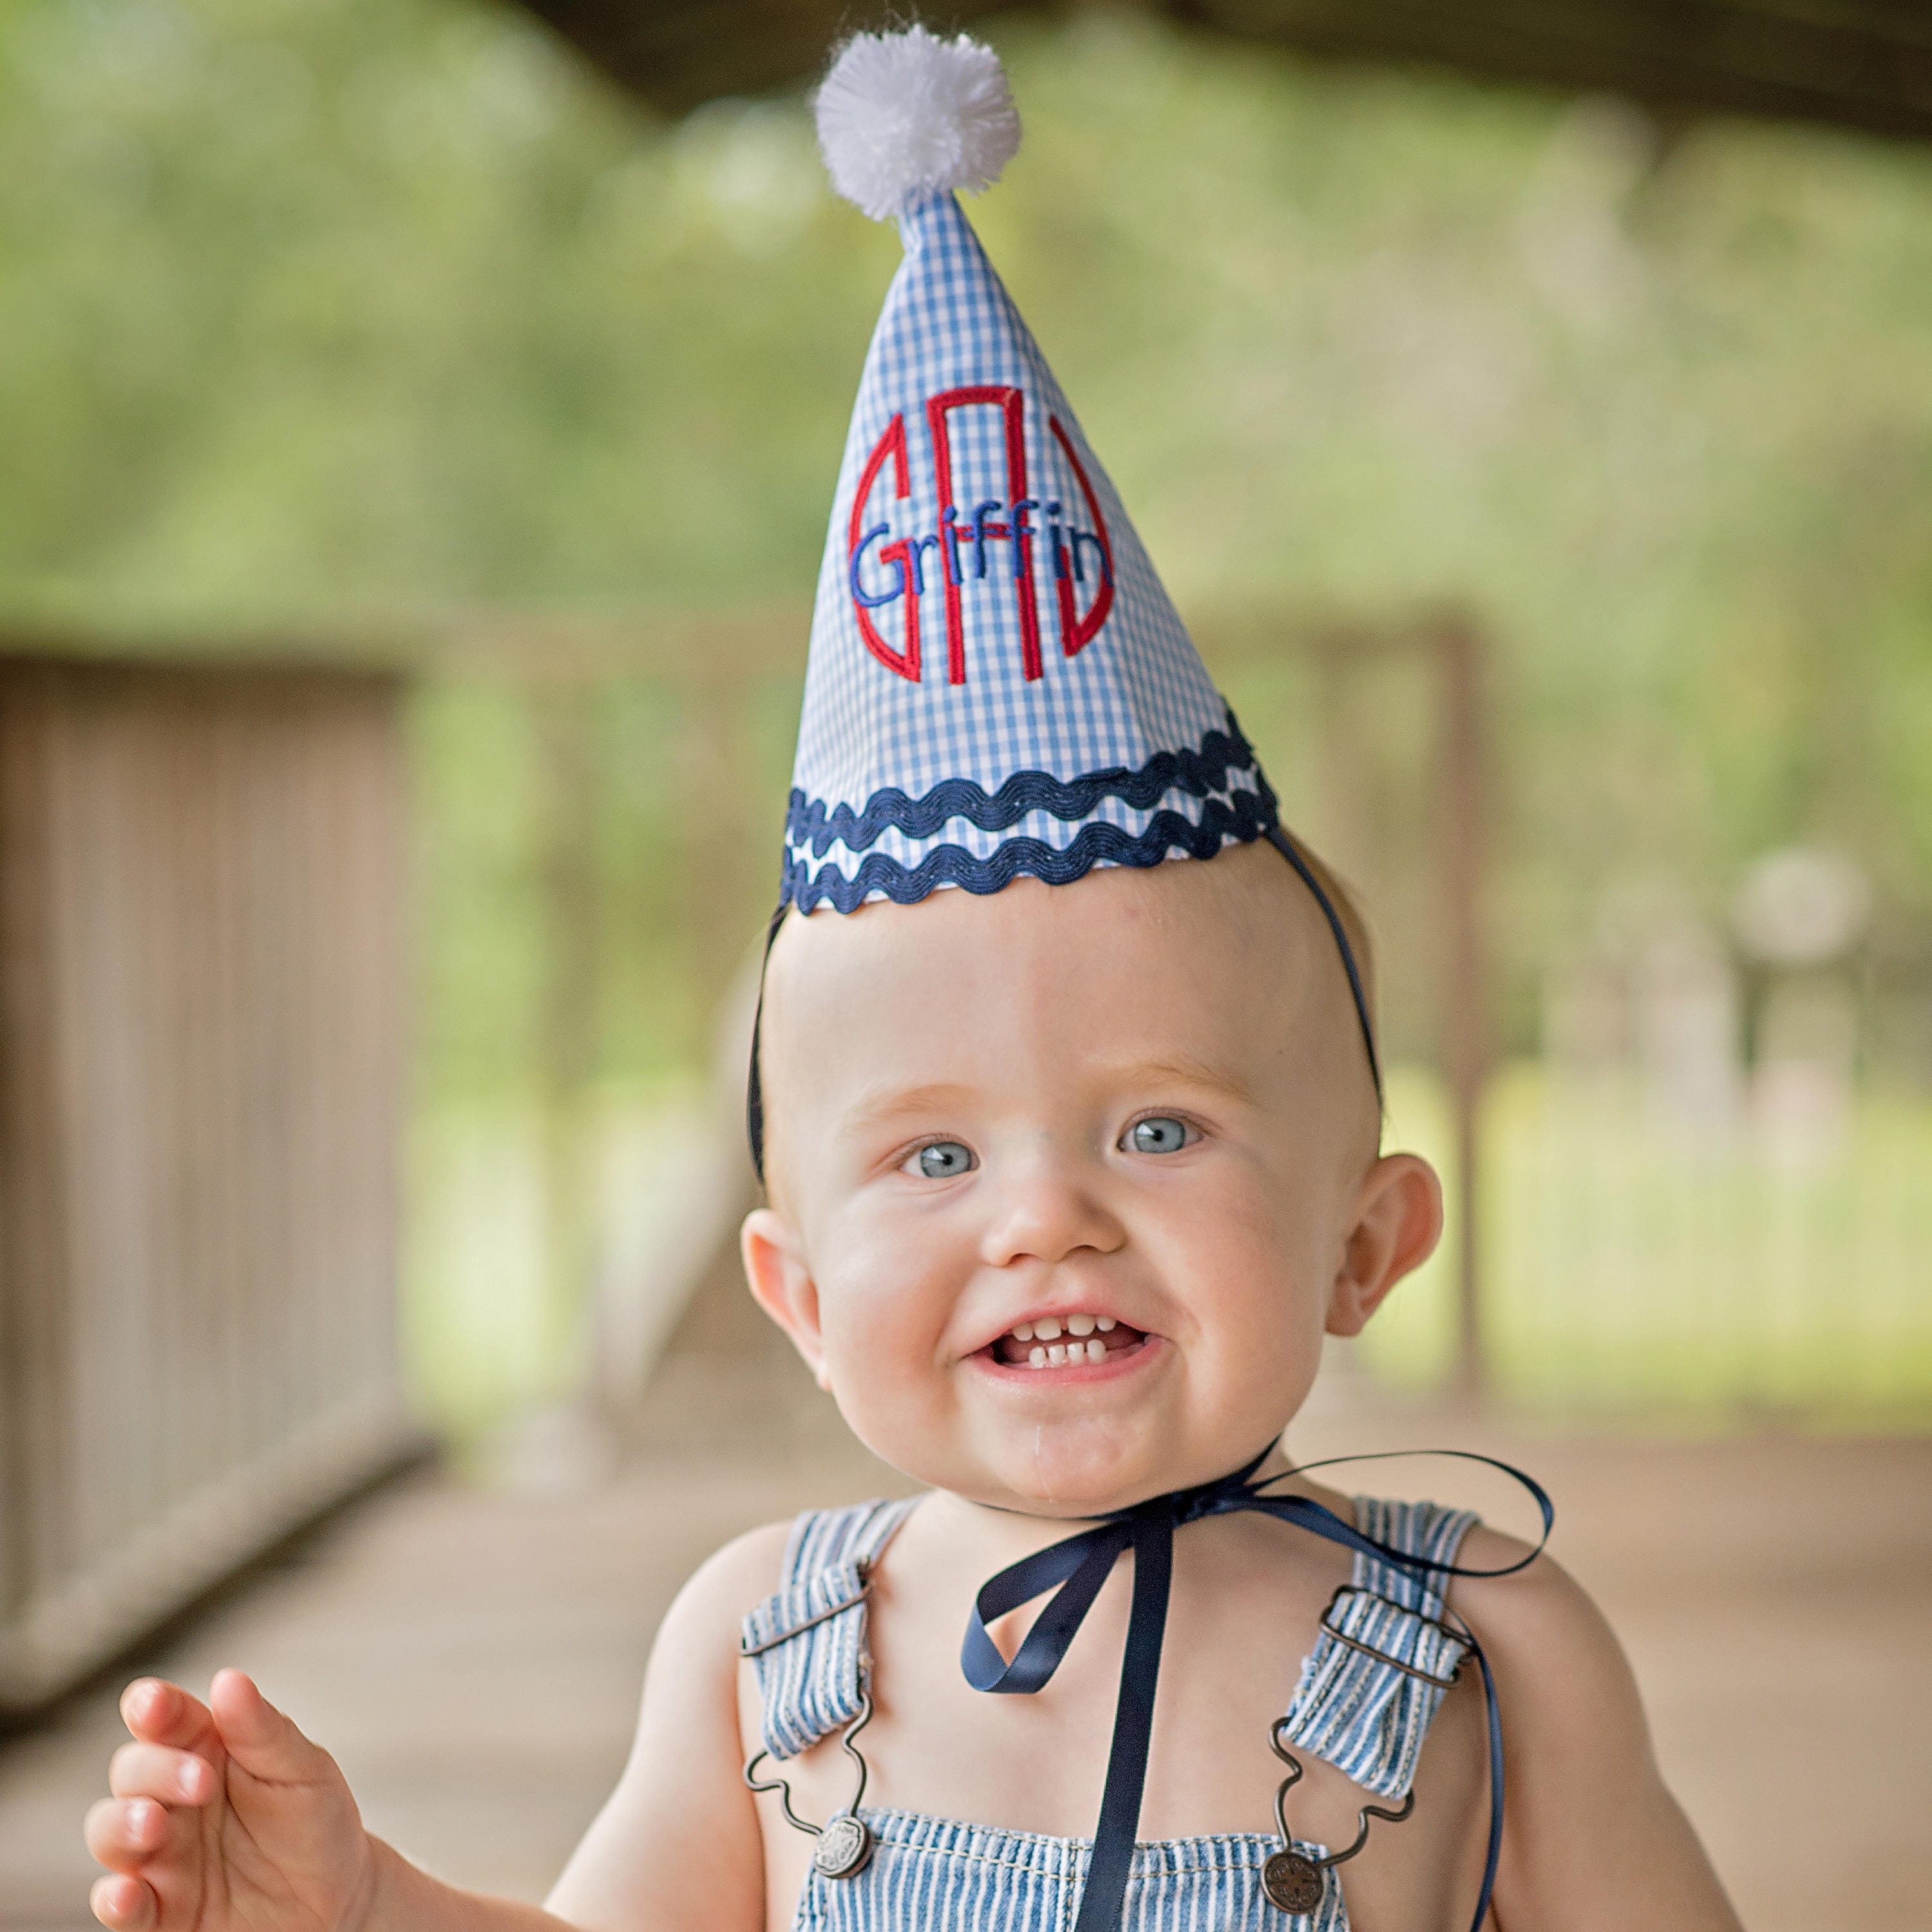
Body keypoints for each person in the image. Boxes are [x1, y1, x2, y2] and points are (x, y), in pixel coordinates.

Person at [84, 29, 1743, 1932]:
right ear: (792, 1286)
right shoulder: (766, 1652)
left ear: (1366, 1239)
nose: (1049, 1219)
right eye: (934, 1159)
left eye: (1160, 1123)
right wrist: (368, 1909)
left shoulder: (1492, 1648)